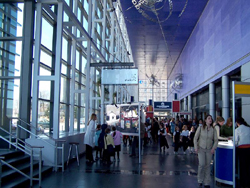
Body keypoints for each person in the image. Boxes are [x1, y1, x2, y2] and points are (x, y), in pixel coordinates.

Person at [194, 115, 218, 188]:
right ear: (205, 120)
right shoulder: (200, 128)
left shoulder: (213, 129)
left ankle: (207, 182)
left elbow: (216, 140)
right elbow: (195, 138)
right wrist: (196, 147)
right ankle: (200, 180)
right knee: (202, 164)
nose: (210, 120)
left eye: (211, 118)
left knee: (208, 165)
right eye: (208, 118)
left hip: (209, 149)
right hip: (201, 148)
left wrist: (213, 148)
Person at [235, 117, 250, 187]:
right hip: (249, 148)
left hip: (241, 149)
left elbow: (235, 141)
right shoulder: (248, 128)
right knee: (248, 165)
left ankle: (243, 182)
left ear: (237, 123)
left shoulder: (237, 130)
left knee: (242, 166)